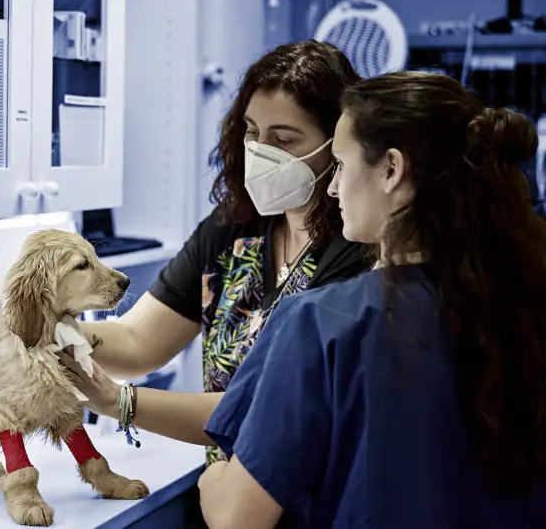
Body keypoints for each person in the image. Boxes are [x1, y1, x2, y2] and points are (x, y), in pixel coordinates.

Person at [198, 71, 546, 529]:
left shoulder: (322, 323)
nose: (333, 188)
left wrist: (214, 478)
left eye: (340, 165)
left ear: (391, 169)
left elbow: (237, 518)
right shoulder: (524, 301)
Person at [53, 40, 372, 463]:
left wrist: (118, 401)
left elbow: (264, 412)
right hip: (227, 486)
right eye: (253, 132)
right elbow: (138, 341)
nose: (261, 152)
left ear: (337, 145)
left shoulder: (356, 251)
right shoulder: (235, 226)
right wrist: (54, 330)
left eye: (284, 139)